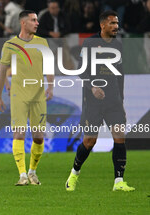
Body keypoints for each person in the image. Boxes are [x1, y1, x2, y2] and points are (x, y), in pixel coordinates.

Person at [65, 10, 135, 192]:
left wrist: (122, 101)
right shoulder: (90, 43)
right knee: (89, 141)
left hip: (113, 101)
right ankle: (73, 174)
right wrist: (93, 88)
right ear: (102, 25)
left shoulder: (118, 45)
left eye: (117, 23)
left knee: (120, 137)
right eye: (112, 23)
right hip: (93, 102)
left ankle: (119, 181)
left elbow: (120, 75)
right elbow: (81, 71)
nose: (116, 27)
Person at [0, 10, 54, 186]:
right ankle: (22, 174)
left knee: (38, 137)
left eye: (37, 20)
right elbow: (2, 71)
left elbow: (49, 67)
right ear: (23, 23)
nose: (37, 23)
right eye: (33, 20)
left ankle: (32, 172)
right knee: (19, 133)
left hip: (38, 95)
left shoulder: (42, 42)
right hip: (18, 94)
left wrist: (51, 86)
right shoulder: (10, 44)